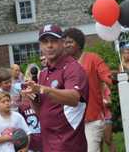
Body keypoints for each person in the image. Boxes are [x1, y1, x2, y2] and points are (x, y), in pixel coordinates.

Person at [23, 24, 89, 152]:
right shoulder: (43, 73)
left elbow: (74, 98)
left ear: (63, 43)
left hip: (69, 145)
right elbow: (42, 113)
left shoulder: (72, 68)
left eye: (53, 41)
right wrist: (31, 98)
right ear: (40, 46)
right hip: (49, 143)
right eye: (45, 42)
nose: (49, 46)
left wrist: (44, 89)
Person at [64, 27, 112, 152]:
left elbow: (107, 76)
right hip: (71, 121)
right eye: (64, 42)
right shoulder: (63, 65)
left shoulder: (93, 59)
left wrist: (114, 78)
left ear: (79, 44)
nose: (66, 45)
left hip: (91, 118)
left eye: (70, 42)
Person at [102, 84, 117, 152]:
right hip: (95, 118)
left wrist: (103, 101)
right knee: (98, 142)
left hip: (106, 117)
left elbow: (110, 103)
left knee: (108, 140)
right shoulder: (90, 87)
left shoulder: (104, 87)